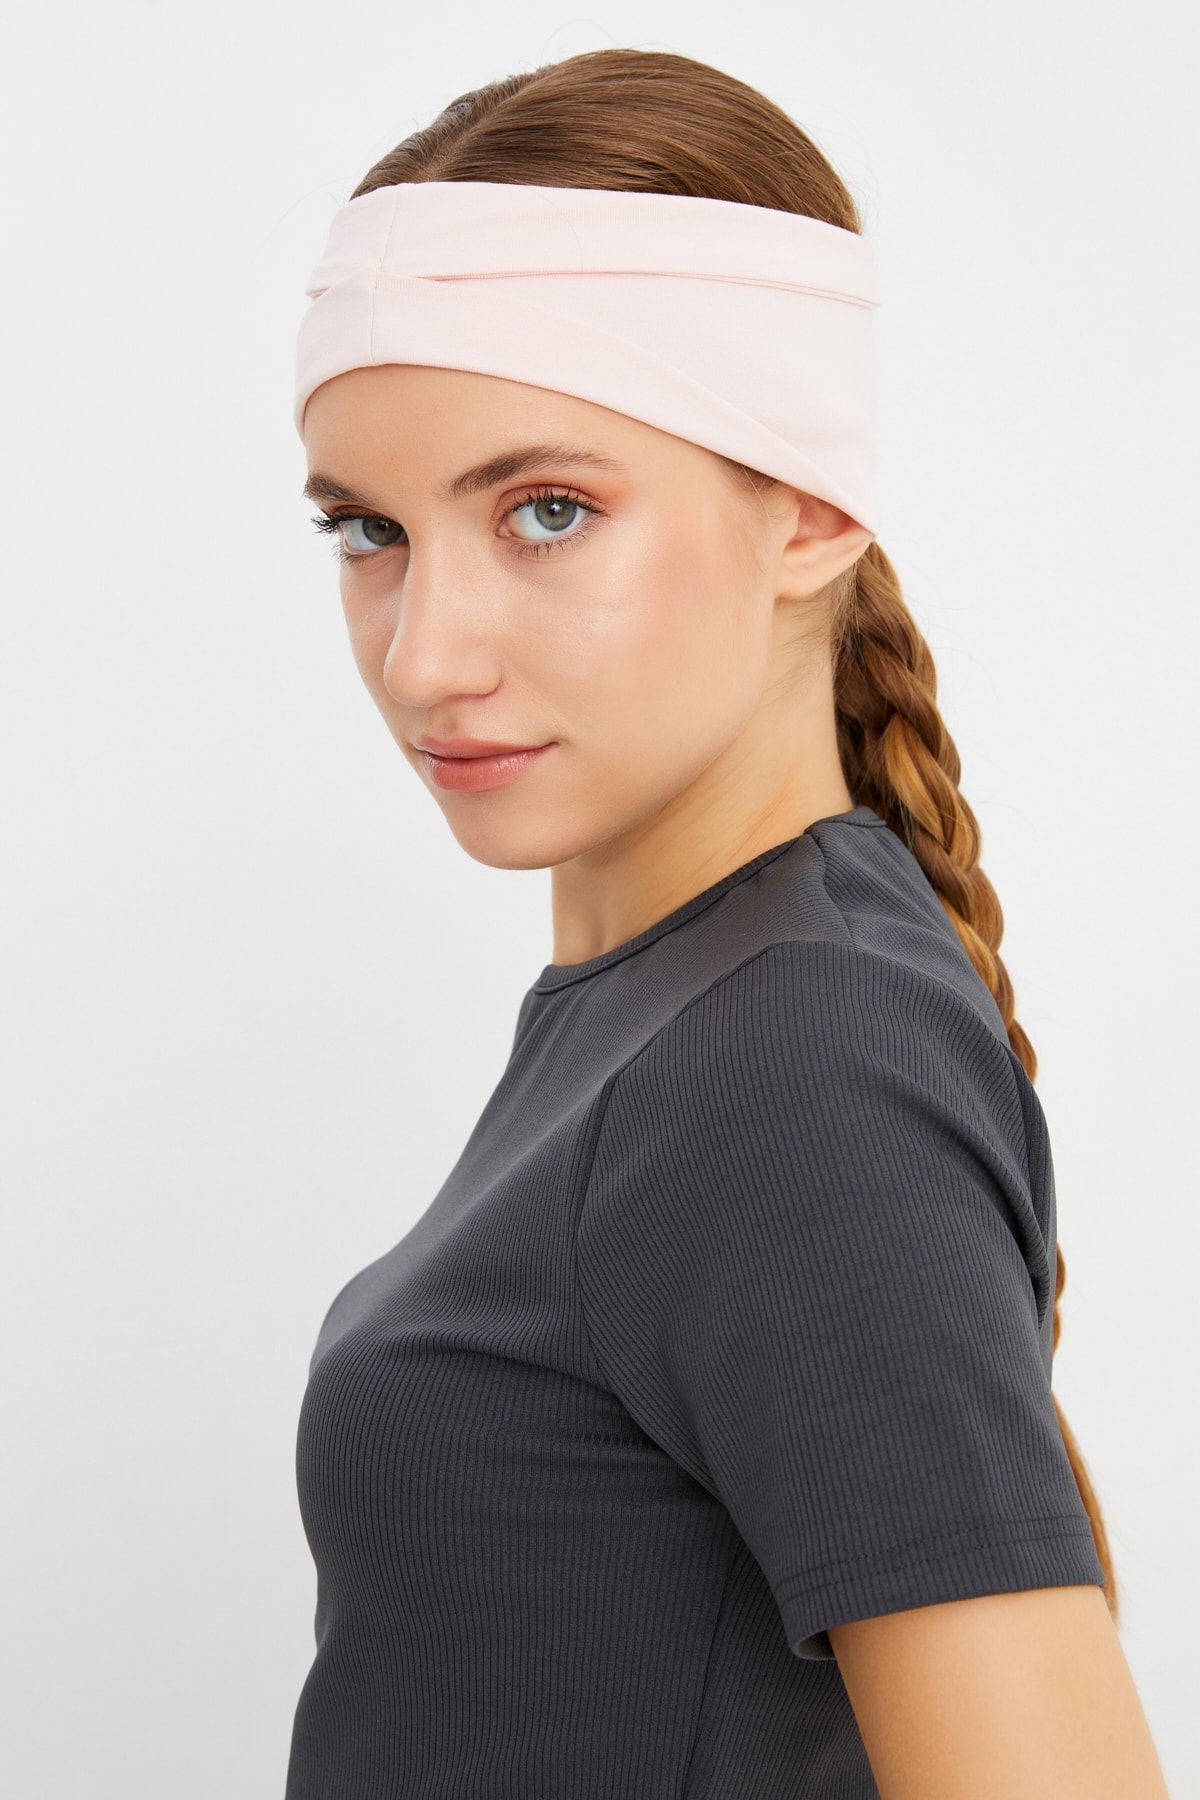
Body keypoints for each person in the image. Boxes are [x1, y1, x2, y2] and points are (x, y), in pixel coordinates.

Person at [283, 46, 1169, 1799]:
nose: (425, 654)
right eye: (369, 530)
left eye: (548, 512)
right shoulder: (690, 1005)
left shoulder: (788, 1051)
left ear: (811, 508)